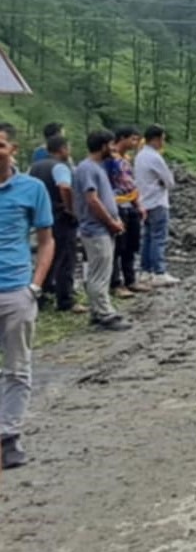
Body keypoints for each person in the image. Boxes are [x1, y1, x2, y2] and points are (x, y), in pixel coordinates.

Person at [0, 121, 56, 469]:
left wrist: (35, 286)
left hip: (16, 290)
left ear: (12, 150)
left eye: (0, 144)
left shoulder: (32, 188)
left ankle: (9, 436)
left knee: (17, 368)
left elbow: (47, 240)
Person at [75, 130, 127, 332]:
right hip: (97, 229)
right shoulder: (88, 168)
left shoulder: (94, 167)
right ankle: (105, 314)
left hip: (101, 228)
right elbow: (92, 200)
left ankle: (98, 312)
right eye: (112, 145)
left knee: (101, 272)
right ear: (104, 145)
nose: (114, 149)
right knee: (99, 274)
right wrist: (110, 222)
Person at [28, 135, 82, 315]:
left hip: (42, 217)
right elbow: (64, 187)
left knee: (47, 257)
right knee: (66, 258)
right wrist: (71, 209)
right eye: (68, 147)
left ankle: (41, 296)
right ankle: (65, 300)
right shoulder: (60, 166)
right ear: (62, 149)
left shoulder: (35, 167)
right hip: (60, 216)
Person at [106, 127, 148, 297]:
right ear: (122, 138)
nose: (135, 143)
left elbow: (130, 183)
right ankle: (115, 283)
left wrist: (138, 204)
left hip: (130, 204)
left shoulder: (126, 159)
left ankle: (131, 279)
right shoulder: (109, 159)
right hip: (116, 205)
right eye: (133, 139)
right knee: (117, 247)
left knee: (131, 245)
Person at [134, 125, 177, 287]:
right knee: (159, 237)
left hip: (144, 201)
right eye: (163, 139)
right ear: (157, 139)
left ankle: (145, 271)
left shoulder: (140, 156)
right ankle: (159, 271)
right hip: (158, 201)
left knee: (148, 238)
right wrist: (162, 183)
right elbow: (170, 182)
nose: (163, 142)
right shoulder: (155, 157)